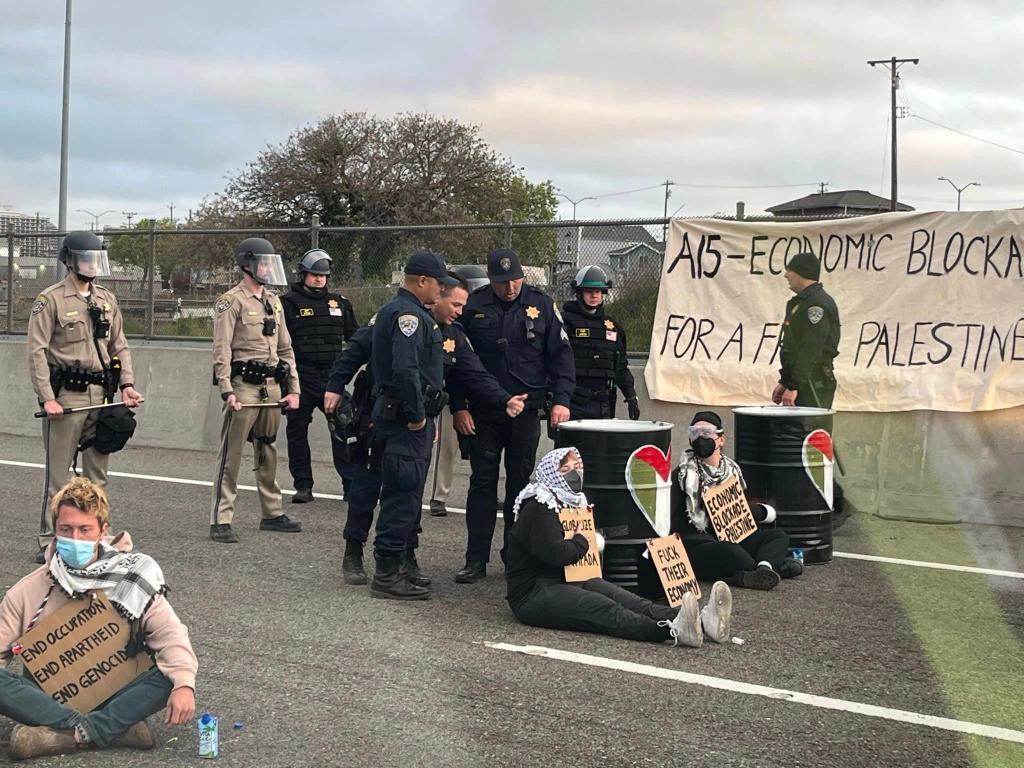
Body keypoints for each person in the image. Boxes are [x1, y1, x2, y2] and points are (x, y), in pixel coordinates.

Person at [325, 272, 526, 589]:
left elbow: (474, 372)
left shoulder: (452, 334)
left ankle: (406, 556)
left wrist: (504, 400)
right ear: (439, 295)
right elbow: (355, 350)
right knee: (368, 484)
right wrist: (335, 386)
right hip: (378, 413)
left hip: (415, 419)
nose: (460, 311)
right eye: (456, 304)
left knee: (409, 488)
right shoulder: (400, 318)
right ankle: (353, 550)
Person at [0, 478, 197, 760]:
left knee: (173, 673)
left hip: (117, 691)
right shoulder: (27, 591)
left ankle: (65, 736)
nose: (75, 539)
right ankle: (109, 728)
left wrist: (184, 685)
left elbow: (171, 635)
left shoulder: (132, 576)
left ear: (102, 531)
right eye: (66, 530)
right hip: (50, 700)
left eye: (84, 529)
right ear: (55, 530)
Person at [506, 447, 732, 648]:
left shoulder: (573, 502)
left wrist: (584, 544)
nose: (575, 473)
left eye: (577, 466)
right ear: (551, 474)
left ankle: (700, 621)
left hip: (572, 577)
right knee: (605, 609)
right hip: (535, 592)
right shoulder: (539, 507)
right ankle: (671, 630)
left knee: (631, 601)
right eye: (566, 469)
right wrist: (584, 541)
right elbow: (556, 553)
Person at [451, 248, 576, 583]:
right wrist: (458, 405)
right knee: (482, 484)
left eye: (515, 279)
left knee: (521, 488)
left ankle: (514, 558)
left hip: (526, 412)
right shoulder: (474, 306)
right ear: (491, 280)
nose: (510, 287)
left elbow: (561, 357)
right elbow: (457, 361)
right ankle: (475, 560)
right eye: (502, 281)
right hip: (484, 412)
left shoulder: (542, 304)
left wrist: (561, 400)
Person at [26, 230, 144, 564]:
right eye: (85, 259)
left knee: (97, 473)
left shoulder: (106, 298)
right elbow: (36, 352)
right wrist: (47, 397)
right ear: (69, 261)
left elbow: (119, 344)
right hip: (68, 397)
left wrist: (127, 385)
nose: (92, 265)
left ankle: (97, 536)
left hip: (101, 395)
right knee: (59, 475)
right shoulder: (50, 300)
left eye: (95, 259)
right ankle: (50, 539)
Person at [364, 251, 458, 599]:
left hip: (401, 417)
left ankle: (401, 564)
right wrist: (418, 415)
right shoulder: (408, 317)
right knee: (402, 495)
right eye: (438, 283)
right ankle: (388, 575)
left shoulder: (405, 312)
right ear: (422, 281)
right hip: (406, 421)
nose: (442, 289)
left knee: (407, 492)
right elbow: (405, 371)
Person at [209, 237, 302, 543]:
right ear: (247, 265)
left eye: (269, 263)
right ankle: (221, 519)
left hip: (272, 388)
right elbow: (221, 350)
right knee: (231, 456)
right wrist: (227, 390)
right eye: (262, 263)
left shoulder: (274, 302)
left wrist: (294, 389)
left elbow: (286, 348)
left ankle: (272, 513)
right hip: (244, 387)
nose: (267, 268)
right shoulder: (231, 301)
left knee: (268, 448)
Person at [672, 411, 803, 589]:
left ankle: (762, 570)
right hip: (702, 544)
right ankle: (771, 567)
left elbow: (741, 511)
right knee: (729, 551)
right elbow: (672, 521)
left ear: (721, 439)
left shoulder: (732, 471)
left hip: (734, 537)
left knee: (777, 537)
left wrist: (759, 512)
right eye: (695, 433)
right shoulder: (682, 475)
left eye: (707, 433)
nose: (700, 438)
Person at [280, 248, 358, 503]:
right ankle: (303, 485)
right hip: (299, 378)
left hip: (331, 379)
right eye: (314, 275)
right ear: (303, 275)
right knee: (297, 432)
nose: (319, 280)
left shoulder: (339, 303)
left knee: (345, 428)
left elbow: (356, 339)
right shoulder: (287, 304)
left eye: (323, 276)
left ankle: (351, 484)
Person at [561, 265, 639, 420]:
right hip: (572, 402)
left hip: (603, 403)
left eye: (598, 291)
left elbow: (620, 365)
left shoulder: (612, 326)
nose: (594, 295)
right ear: (579, 293)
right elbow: (554, 362)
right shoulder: (564, 322)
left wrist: (631, 396)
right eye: (589, 291)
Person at [772, 252, 841, 409]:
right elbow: (794, 348)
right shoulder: (802, 303)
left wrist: (794, 385)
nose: (786, 275)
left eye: (790, 270)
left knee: (810, 431)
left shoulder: (816, 305)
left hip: (813, 382)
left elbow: (811, 348)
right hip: (803, 380)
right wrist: (785, 381)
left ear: (801, 272)